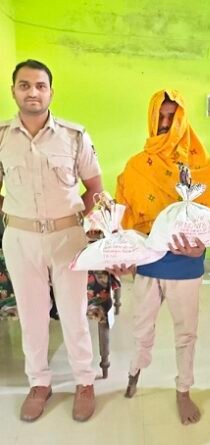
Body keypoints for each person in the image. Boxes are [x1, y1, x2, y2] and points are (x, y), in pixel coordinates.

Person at [0, 59, 103, 422]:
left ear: (50, 92)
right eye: (25, 85)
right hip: (20, 238)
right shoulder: (2, 137)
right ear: (14, 91)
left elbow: (94, 187)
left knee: (74, 313)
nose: (33, 92)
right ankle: (39, 383)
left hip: (66, 237)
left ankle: (84, 381)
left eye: (40, 86)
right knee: (31, 316)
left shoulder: (74, 136)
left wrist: (82, 223)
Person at [111, 89, 210, 425]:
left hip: (185, 264)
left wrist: (201, 245)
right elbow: (123, 215)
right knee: (142, 329)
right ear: (152, 117)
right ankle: (134, 371)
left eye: (173, 116)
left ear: (182, 120)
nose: (166, 123)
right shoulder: (135, 166)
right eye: (161, 115)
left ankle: (183, 390)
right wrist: (123, 253)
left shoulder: (199, 163)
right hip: (147, 263)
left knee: (186, 333)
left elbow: (209, 216)